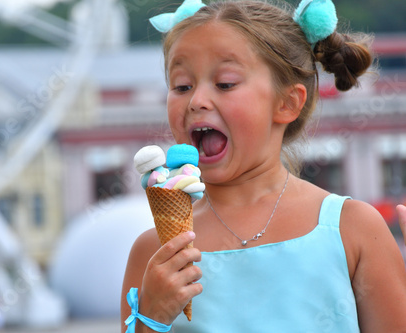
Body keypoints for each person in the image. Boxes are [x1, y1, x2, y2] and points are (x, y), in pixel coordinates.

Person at [121, 0, 406, 332]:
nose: (196, 100)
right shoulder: (155, 253)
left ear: (287, 103)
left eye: (225, 83)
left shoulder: (354, 230)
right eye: (181, 86)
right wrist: (149, 318)